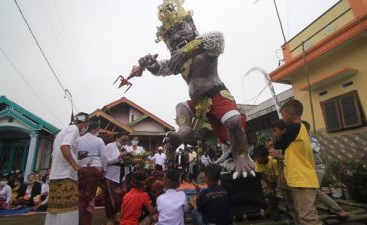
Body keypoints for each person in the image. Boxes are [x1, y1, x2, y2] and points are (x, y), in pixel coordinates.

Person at [137, 0, 254, 179]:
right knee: (181, 106)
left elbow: (217, 38)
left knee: (233, 122)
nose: (174, 36)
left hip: (217, 95)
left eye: (179, 28)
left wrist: (185, 52)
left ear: (191, 25)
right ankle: (184, 131)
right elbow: (162, 68)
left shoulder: (203, 50)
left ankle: (241, 154)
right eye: (169, 35)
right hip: (198, 104)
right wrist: (150, 65)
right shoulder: (178, 59)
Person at [269, 99, 321, 225]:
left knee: (308, 219)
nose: (282, 118)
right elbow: (291, 153)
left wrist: (277, 144)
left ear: (291, 113)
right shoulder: (297, 129)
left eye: (283, 114)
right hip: (300, 179)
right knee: (306, 216)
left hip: (303, 179)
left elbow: (279, 143)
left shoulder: (296, 127)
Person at [45, 112, 89, 225]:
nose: (86, 126)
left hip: (56, 175)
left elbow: (54, 154)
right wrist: (75, 164)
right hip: (66, 176)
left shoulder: (61, 132)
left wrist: (77, 156)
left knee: (55, 210)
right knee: (67, 210)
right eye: (87, 123)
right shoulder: (73, 129)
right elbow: (64, 147)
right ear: (84, 122)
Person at [302, 121, 349, 219]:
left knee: (314, 190)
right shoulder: (299, 139)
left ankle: (338, 209)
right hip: (308, 169)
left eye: (301, 128)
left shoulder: (312, 139)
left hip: (318, 168)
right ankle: (313, 213)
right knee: (309, 191)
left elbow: (310, 149)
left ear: (307, 129)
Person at [76, 120, 107, 225]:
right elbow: (104, 157)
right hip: (95, 169)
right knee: (90, 197)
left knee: (81, 195)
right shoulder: (99, 140)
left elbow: (76, 154)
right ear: (95, 128)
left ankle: (78, 220)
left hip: (81, 169)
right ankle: (85, 221)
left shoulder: (78, 139)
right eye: (98, 128)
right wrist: (105, 169)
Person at [103, 132, 129, 225]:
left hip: (122, 176)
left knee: (122, 197)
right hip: (111, 176)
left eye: (126, 141)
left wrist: (131, 162)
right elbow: (105, 161)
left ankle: (116, 215)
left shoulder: (126, 148)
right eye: (123, 140)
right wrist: (118, 157)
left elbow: (127, 162)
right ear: (117, 138)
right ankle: (109, 218)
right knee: (110, 198)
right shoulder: (109, 146)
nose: (125, 142)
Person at [254, 145, 280, 220]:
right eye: (256, 157)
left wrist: (277, 189)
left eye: (258, 157)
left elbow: (279, 176)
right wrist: (269, 187)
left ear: (265, 156)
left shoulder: (274, 161)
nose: (257, 159)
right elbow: (263, 175)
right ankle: (275, 217)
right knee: (271, 196)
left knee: (280, 195)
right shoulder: (258, 163)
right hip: (270, 180)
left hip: (280, 180)